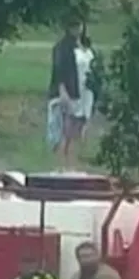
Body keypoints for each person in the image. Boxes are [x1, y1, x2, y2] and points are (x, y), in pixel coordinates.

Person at [47, 17, 82, 167]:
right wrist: (63, 90)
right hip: (63, 93)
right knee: (63, 129)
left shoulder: (80, 46)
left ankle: (68, 163)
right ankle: (60, 164)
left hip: (76, 92)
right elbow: (59, 70)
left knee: (72, 131)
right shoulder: (62, 47)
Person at [68, 30, 98, 143]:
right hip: (87, 84)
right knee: (86, 110)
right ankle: (82, 134)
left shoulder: (77, 54)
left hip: (80, 84)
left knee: (78, 109)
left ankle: (76, 134)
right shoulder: (91, 54)